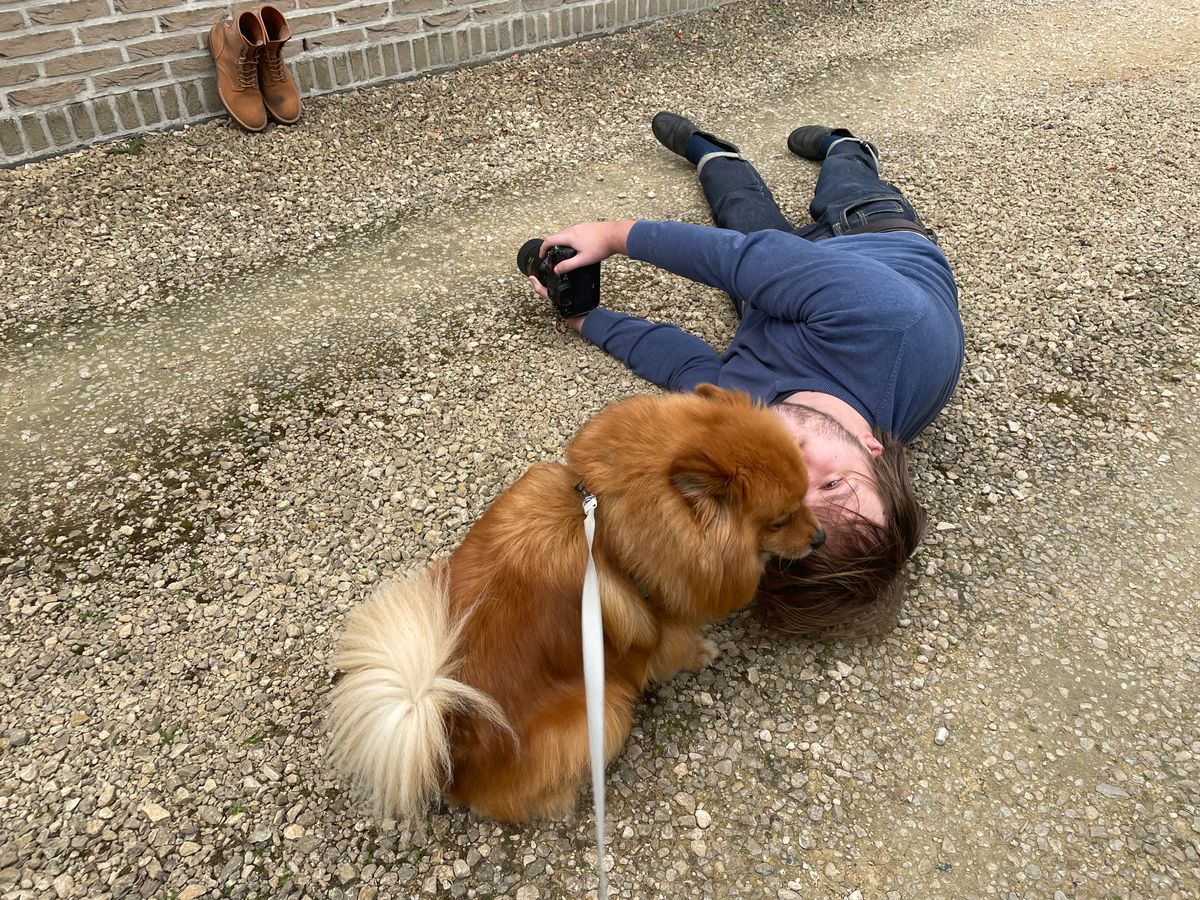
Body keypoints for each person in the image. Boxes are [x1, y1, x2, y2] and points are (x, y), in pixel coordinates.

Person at [526, 112, 964, 633]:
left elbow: (686, 367)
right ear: (874, 448)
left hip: (780, 311)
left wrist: (585, 318)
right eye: (831, 484)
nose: (793, 478)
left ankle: (710, 151)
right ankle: (846, 143)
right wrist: (614, 235)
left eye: (782, 509)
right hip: (871, 238)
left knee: (737, 205)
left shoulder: (756, 441)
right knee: (842, 182)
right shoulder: (886, 322)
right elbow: (741, 261)